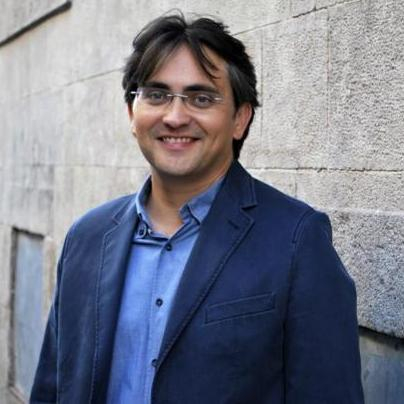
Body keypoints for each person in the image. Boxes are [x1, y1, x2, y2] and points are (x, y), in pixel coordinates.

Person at [30, 12, 364, 404]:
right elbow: (52, 388)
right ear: (131, 113)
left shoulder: (296, 240)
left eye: (201, 98)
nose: (175, 117)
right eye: (157, 95)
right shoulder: (86, 237)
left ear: (240, 118)